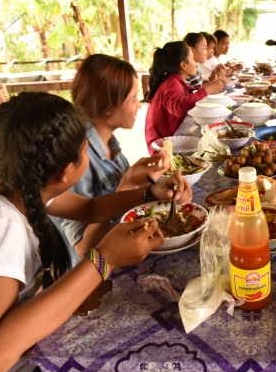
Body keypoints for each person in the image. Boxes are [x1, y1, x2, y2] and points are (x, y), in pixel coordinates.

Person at [0, 92, 192, 372]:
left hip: (26, 357)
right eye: (85, 150)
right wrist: (104, 260)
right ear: (66, 171)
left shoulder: (16, 180)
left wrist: (149, 193)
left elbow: (90, 209)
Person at [50, 54, 180, 262]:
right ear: (109, 105)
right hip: (95, 275)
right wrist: (128, 184)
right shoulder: (75, 158)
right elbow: (84, 250)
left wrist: (156, 183)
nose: (139, 105)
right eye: (133, 98)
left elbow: (128, 200)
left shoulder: (111, 146)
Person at [145, 41, 226, 148]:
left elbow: (191, 92)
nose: (195, 62)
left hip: (172, 135)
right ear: (183, 65)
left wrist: (208, 87)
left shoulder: (175, 81)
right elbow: (178, 108)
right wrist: (207, 90)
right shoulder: (171, 84)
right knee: (213, 139)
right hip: (163, 144)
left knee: (212, 133)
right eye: (192, 59)